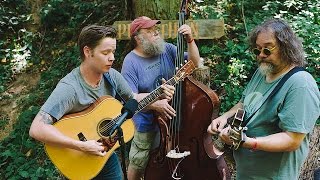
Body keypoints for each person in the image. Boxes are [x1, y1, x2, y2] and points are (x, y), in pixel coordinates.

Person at [29, 25, 175, 179]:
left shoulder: (112, 76)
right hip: (77, 156)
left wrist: (157, 93)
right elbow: (37, 128)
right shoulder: (69, 88)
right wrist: (82, 145)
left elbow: (132, 99)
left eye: (113, 52)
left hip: (104, 151)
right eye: (105, 53)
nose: (112, 57)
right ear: (87, 52)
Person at [207, 18, 320, 180]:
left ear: (286, 48)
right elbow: (245, 103)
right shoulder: (263, 72)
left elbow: (293, 140)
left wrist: (247, 141)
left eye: (267, 50)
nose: (261, 55)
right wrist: (224, 117)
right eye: (257, 50)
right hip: (247, 173)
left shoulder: (300, 84)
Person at [121, 16, 228, 180]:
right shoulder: (131, 61)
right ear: (137, 37)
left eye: (155, 28)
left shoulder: (166, 49)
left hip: (177, 117)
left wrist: (190, 40)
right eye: (149, 30)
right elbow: (131, 98)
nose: (156, 32)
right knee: (138, 161)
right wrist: (156, 103)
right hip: (148, 124)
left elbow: (195, 63)